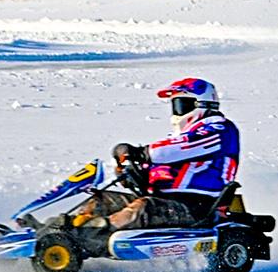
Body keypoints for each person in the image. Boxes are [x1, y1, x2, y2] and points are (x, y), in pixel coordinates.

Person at [68, 78, 242, 231]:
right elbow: (164, 160)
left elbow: (172, 149)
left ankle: (90, 236)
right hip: (164, 200)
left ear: (200, 104)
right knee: (102, 200)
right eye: (174, 105)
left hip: (196, 206)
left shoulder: (220, 129)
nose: (176, 111)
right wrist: (133, 172)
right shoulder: (179, 140)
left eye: (181, 104)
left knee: (143, 209)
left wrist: (140, 153)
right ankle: (68, 228)